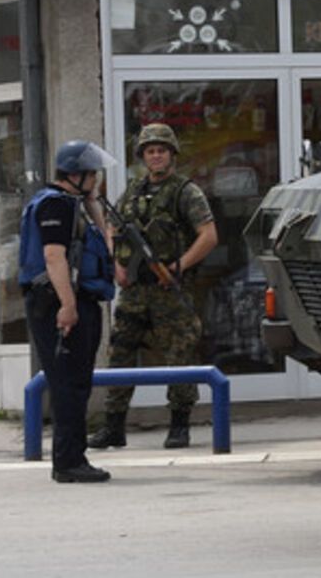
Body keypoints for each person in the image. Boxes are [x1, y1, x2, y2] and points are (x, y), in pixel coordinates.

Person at [88, 123, 218, 451]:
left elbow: (209, 236)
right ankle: (114, 426)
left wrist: (178, 267)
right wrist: (117, 262)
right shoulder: (132, 191)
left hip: (170, 290)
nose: (156, 156)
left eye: (161, 150)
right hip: (135, 289)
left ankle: (179, 425)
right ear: (143, 156)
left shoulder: (185, 191)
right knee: (120, 353)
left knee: (180, 356)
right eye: (150, 151)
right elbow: (112, 227)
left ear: (172, 153)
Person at [20, 139, 117, 483]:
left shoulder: (70, 203)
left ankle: (72, 457)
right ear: (77, 174)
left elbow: (105, 242)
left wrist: (91, 203)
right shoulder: (56, 206)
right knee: (69, 384)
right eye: (93, 175)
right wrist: (68, 306)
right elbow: (53, 257)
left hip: (71, 301)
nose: (97, 181)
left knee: (77, 381)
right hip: (58, 304)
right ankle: (67, 461)